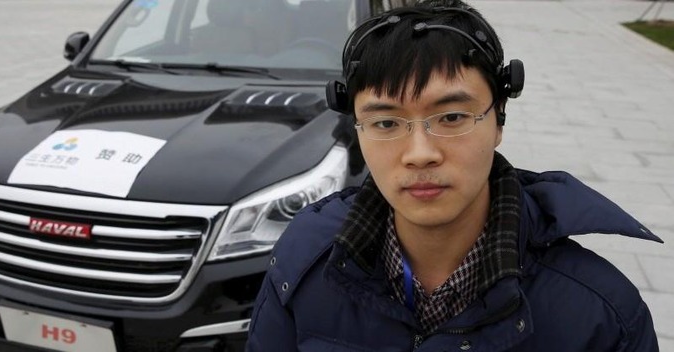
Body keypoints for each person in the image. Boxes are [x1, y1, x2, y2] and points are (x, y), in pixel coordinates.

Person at [246, 0, 662, 350]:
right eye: (386, 123)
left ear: (498, 118)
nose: (420, 154)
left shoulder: (601, 315)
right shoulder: (305, 262)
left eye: (451, 117)